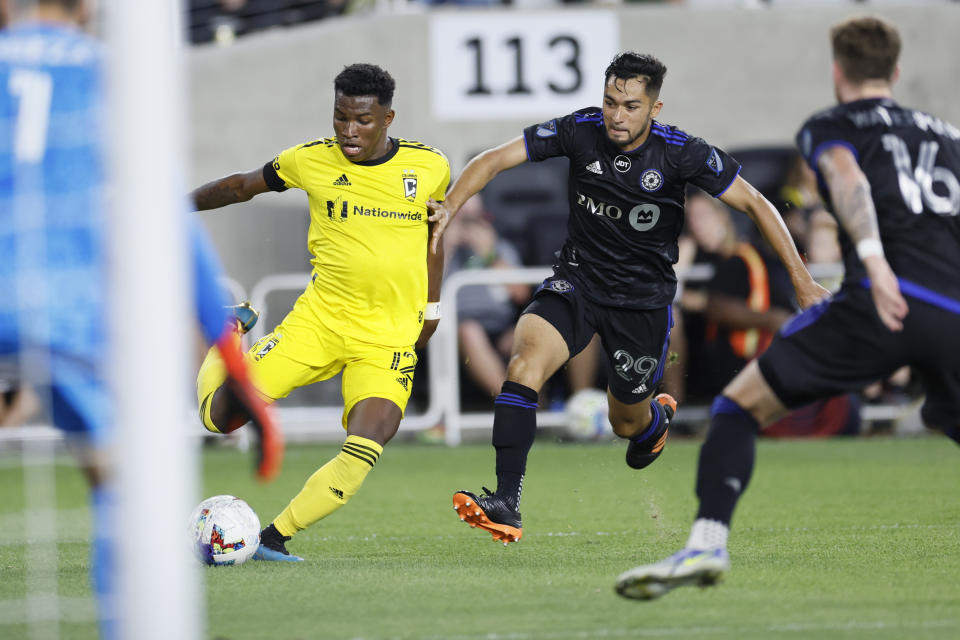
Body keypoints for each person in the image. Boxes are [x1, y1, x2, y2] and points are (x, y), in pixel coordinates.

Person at [615, 15, 960, 600]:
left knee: (737, 408)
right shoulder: (946, 135)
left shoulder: (832, 124)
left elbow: (848, 178)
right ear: (896, 71)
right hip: (951, 308)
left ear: (837, 71)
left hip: (881, 301)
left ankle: (706, 542)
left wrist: (873, 260)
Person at [427, 52, 828, 545]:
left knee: (625, 423)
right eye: (611, 102)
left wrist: (803, 282)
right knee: (524, 363)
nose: (617, 115)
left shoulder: (682, 152)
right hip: (577, 281)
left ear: (655, 108)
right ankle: (506, 502)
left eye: (631, 106)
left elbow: (756, 204)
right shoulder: (579, 130)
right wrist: (449, 205)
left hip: (642, 303)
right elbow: (492, 160)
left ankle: (652, 421)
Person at [0, 1, 275, 636]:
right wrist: (229, 356)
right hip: (60, 308)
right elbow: (166, 225)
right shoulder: (111, 74)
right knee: (121, 478)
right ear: (87, 9)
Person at [192, 63, 450, 561]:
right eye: (340, 118)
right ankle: (227, 332)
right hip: (319, 324)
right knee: (218, 419)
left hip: (388, 338)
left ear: (388, 117)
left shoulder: (430, 166)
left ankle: (274, 537)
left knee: (370, 439)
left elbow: (435, 237)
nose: (349, 131)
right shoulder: (308, 160)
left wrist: (431, 308)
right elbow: (242, 186)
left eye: (363, 120)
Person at [445, 194, 530, 401]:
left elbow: (521, 293)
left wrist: (488, 254)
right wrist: (445, 246)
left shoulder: (500, 249)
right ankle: (510, 405)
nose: (470, 226)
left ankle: (537, 403)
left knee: (530, 333)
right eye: (462, 219)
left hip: (501, 325)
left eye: (475, 219)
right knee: (470, 331)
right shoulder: (438, 250)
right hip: (453, 329)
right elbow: (424, 291)